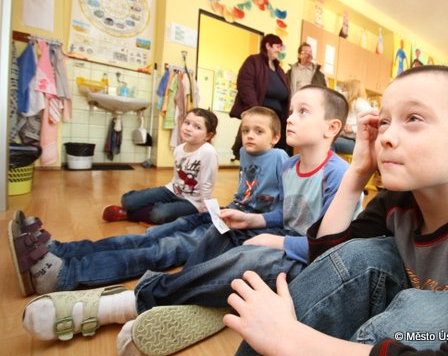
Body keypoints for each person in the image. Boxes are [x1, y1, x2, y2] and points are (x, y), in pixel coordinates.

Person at [224, 66, 448, 356]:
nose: (386, 136)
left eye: (413, 118)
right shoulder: (398, 203)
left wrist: (294, 341)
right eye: (384, 121)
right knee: (364, 254)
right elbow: (329, 265)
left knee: (430, 307)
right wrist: (357, 173)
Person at [21, 86, 362, 356]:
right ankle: (193, 298)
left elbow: (331, 245)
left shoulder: (338, 175)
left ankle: (134, 300)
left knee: (244, 256)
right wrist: (251, 219)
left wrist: (274, 238)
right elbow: (284, 214)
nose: (290, 119)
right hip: (275, 236)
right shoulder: (289, 166)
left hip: (303, 256)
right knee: (213, 236)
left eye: (303, 112)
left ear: (332, 127)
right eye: (291, 111)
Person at [9, 106, 287, 297]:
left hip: (245, 229)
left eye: (259, 131)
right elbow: (247, 193)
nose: (250, 135)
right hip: (227, 214)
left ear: (276, 138)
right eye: (246, 130)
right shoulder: (246, 153)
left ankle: (64, 274)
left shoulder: (281, 159)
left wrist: (249, 221)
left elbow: (286, 213)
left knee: (164, 247)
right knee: (153, 235)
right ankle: (60, 250)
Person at [102, 108, 219, 225]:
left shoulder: (208, 152)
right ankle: (154, 208)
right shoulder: (179, 149)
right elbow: (177, 178)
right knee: (127, 201)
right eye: (187, 123)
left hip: (192, 201)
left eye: (197, 127)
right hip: (172, 190)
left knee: (158, 214)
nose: (188, 128)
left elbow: (206, 185)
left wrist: (205, 212)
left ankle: (128, 214)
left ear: (208, 136)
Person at [230, 33, 291, 159]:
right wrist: (255, 110)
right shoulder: (253, 61)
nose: (279, 50)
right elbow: (245, 85)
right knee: (254, 152)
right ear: (268, 45)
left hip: (278, 120)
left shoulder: (279, 70)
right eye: (277, 46)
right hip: (260, 117)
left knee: (275, 155)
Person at [332, 79, 374, 154]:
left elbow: (372, 122)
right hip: (347, 139)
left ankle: (330, 162)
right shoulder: (349, 103)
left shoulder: (359, 102)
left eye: (345, 87)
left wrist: (353, 129)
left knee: (331, 142)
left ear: (351, 89)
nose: (342, 89)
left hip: (355, 142)